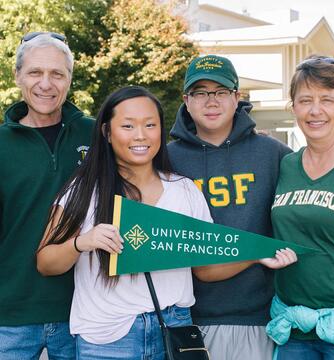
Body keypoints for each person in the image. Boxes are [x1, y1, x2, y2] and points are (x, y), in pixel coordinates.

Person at [36, 86, 213, 360]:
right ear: (107, 132)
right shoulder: (83, 189)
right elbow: (46, 263)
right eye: (128, 125)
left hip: (174, 327)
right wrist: (82, 242)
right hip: (108, 337)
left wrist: (260, 255)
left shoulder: (185, 190)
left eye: (150, 125)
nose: (140, 135)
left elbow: (206, 265)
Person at [167, 54, 296, 360]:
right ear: (186, 100)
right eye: (200, 92)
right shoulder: (166, 159)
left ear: (237, 97)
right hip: (187, 320)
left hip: (259, 320)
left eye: (221, 91)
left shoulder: (273, 153)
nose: (211, 101)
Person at [0, 32, 94, 359]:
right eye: (35, 72)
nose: (46, 83)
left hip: (82, 312)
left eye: (57, 73)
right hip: (9, 318)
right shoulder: (1, 144)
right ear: (17, 76)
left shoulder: (96, 135)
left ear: (69, 79)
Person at [267, 55, 334, 360]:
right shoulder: (286, 165)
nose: (315, 110)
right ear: (293, 107)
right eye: (305, 100)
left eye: (327, 100)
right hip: (293, 330)